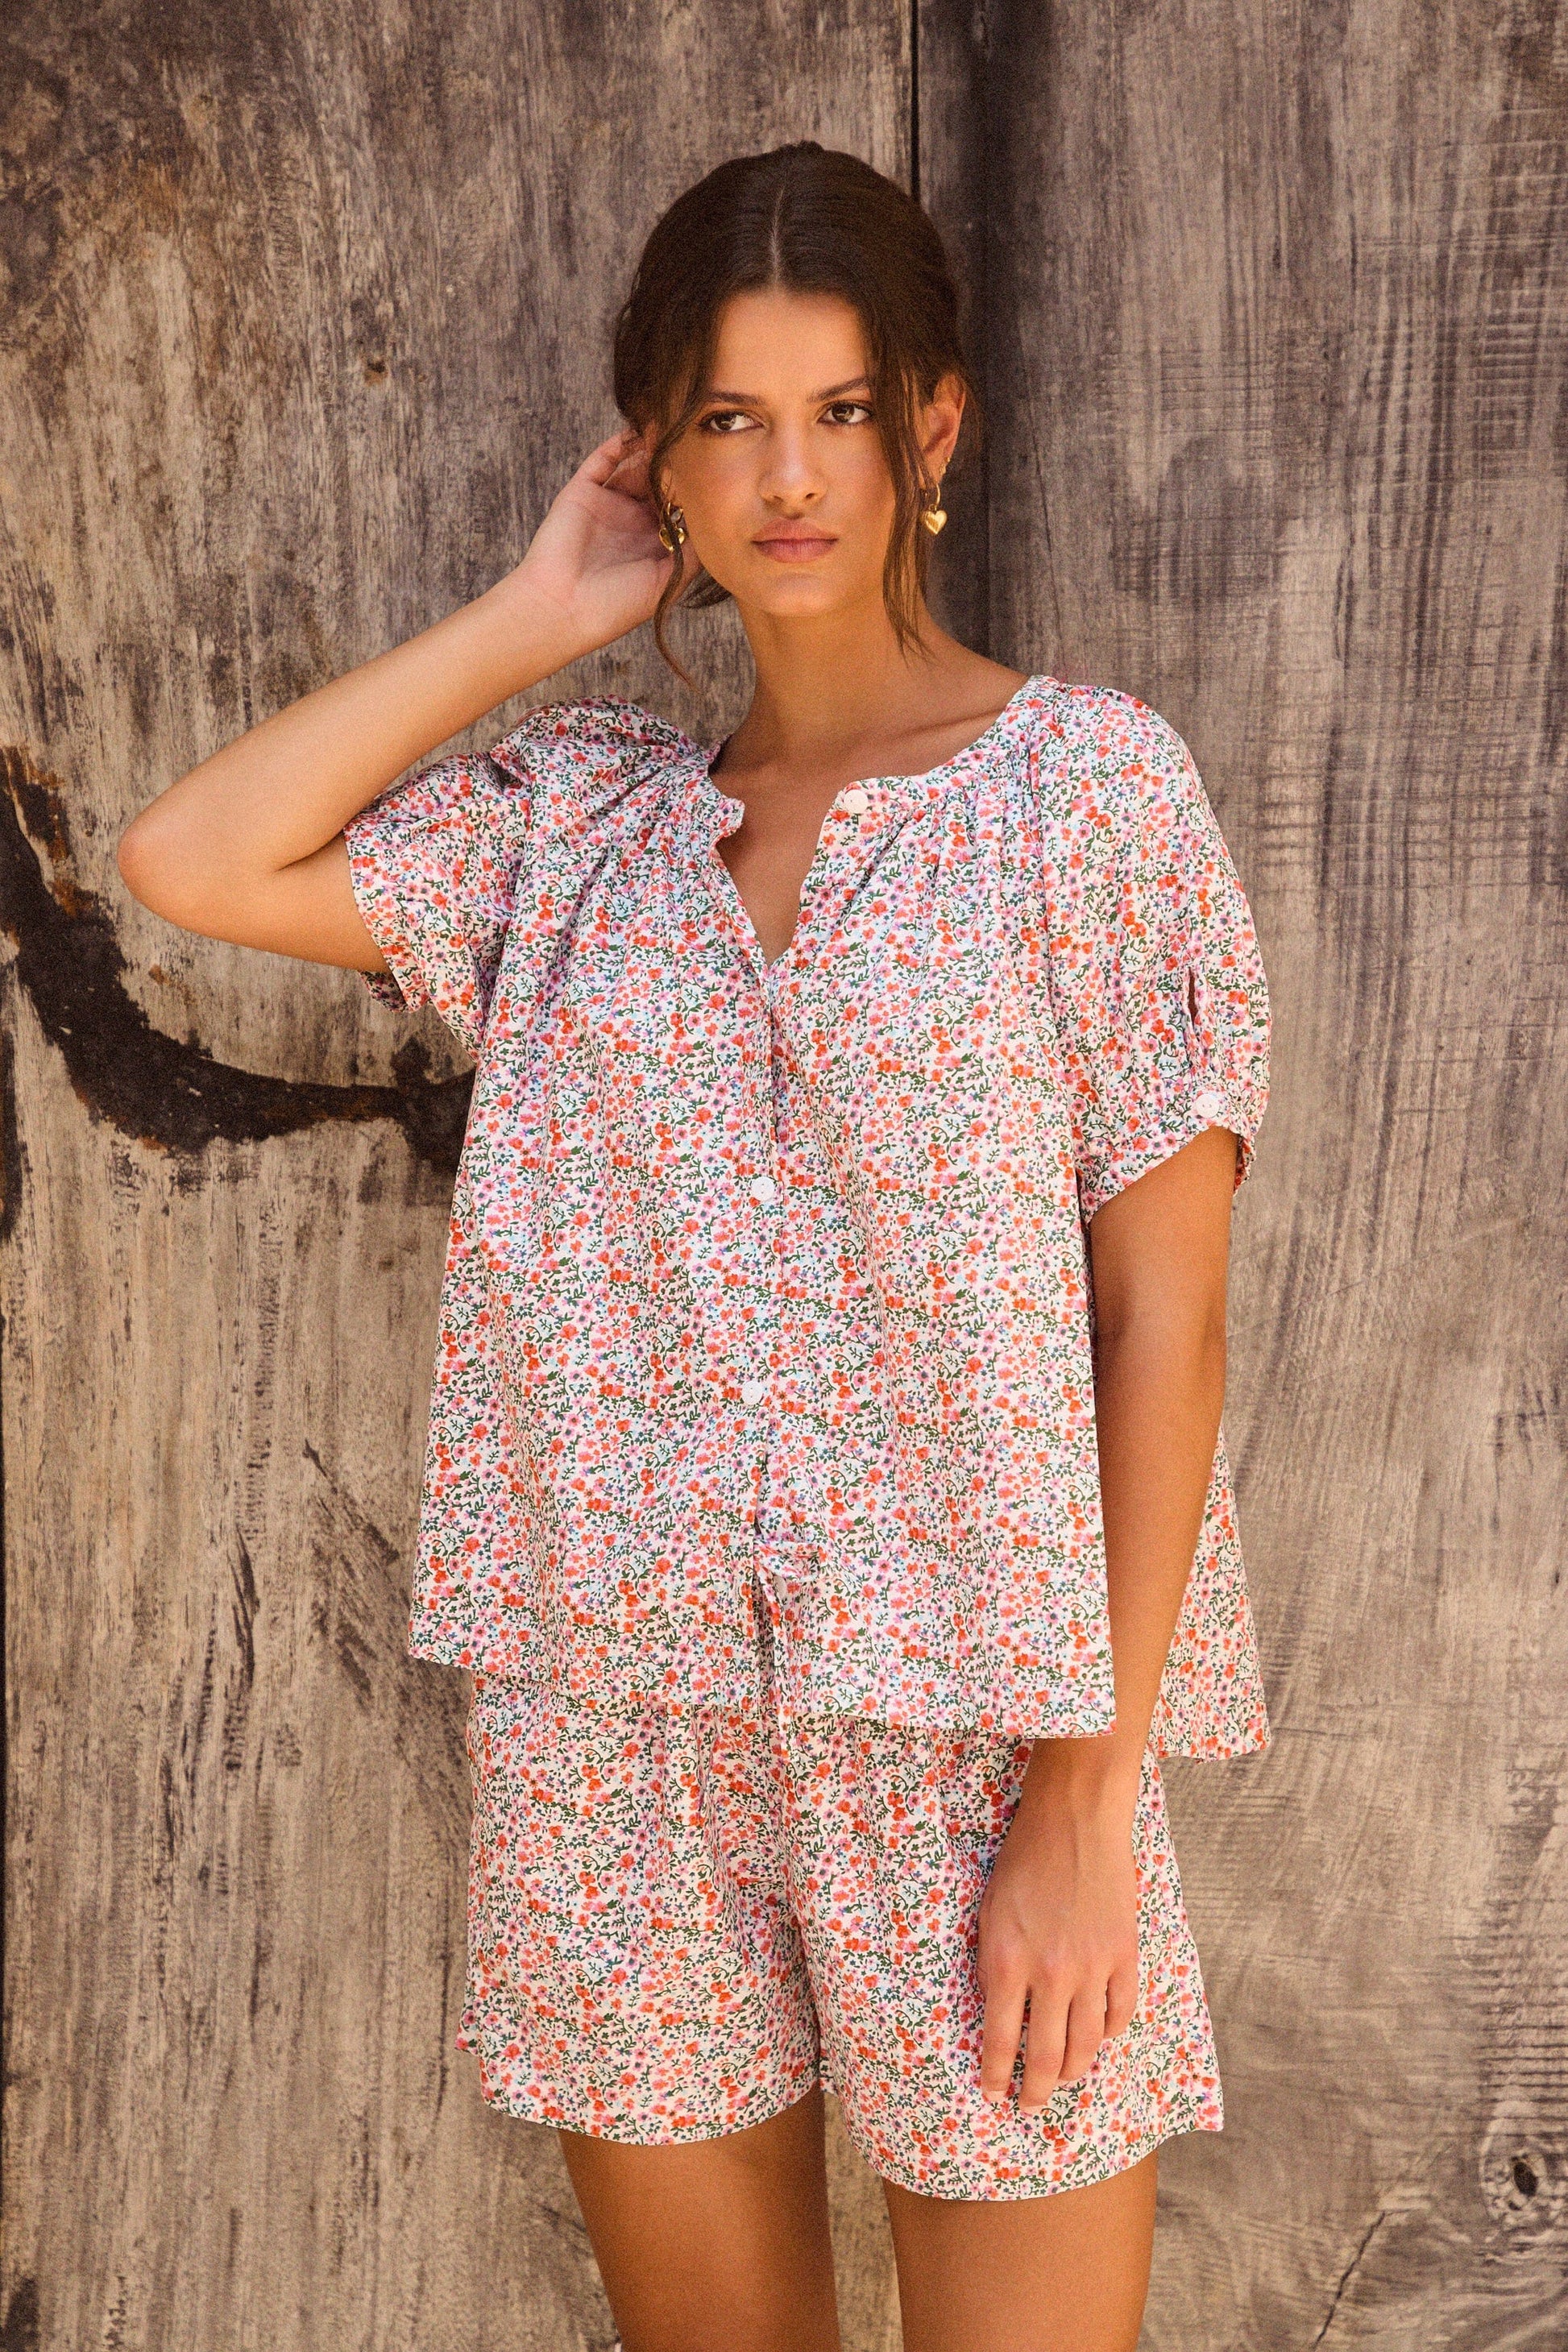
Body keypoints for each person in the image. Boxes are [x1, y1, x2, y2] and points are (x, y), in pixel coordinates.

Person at [118, 142, 1271, 2352]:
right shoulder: (575, 832)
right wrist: (540, 614)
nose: (789, 475)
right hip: (615, 1740)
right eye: (728, 418)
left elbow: (1162, 1324)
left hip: (972, 1735)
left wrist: (1083, 1800)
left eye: (840, 411)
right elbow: (194, 859)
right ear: (657, 453)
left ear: (933, 429)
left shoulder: (1088, 799)